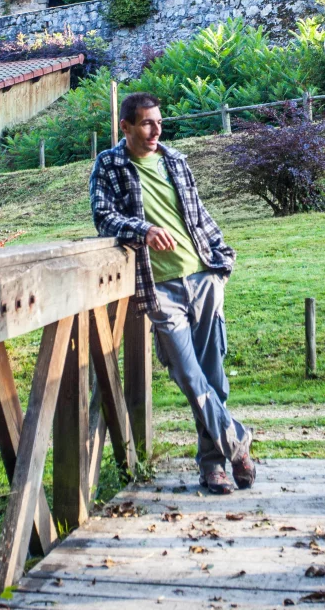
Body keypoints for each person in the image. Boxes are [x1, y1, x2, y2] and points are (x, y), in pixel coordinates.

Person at [90, 91, 255, 495]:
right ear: (125, 126)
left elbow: (199, 216)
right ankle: (238, 441)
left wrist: (223, 264)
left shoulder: (176, 160)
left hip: (203, 278)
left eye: (159, 122)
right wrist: (142, 230)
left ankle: (213, 466)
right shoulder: (110, 164)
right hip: (159, 288)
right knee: (186, 373)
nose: (155, 130)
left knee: (213, 378)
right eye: (146, 123)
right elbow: (103, 216)